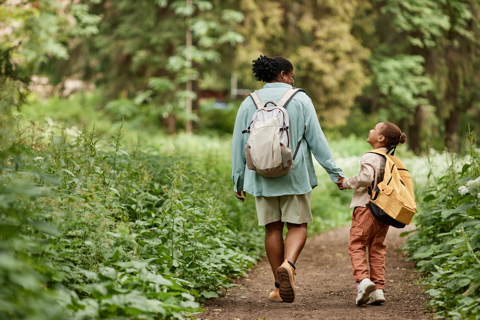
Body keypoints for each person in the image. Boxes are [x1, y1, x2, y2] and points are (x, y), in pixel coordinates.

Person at [231, 55, 345, 303]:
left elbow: (239, 143)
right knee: (297, 225)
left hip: (260, 174)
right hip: (294, 172)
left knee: (272, 228)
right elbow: (316, 139)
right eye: (291, 76)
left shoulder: (249, 102)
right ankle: (289, 266)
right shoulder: (301, 99)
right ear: (282, 74)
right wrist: (335, 172)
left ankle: (277, 286)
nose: (293, 80)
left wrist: (238, 179)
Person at [336, 122, 407, 306]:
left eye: (374, 129)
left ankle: (363, 281)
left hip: (366, 207)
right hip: (384, 211)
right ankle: (378, 290)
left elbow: (366, 178)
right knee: (377, 248)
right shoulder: (390, 159)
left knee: (357, 244)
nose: (370, 130)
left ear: (381, 138)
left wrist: (346, 182)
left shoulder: (370, 156)